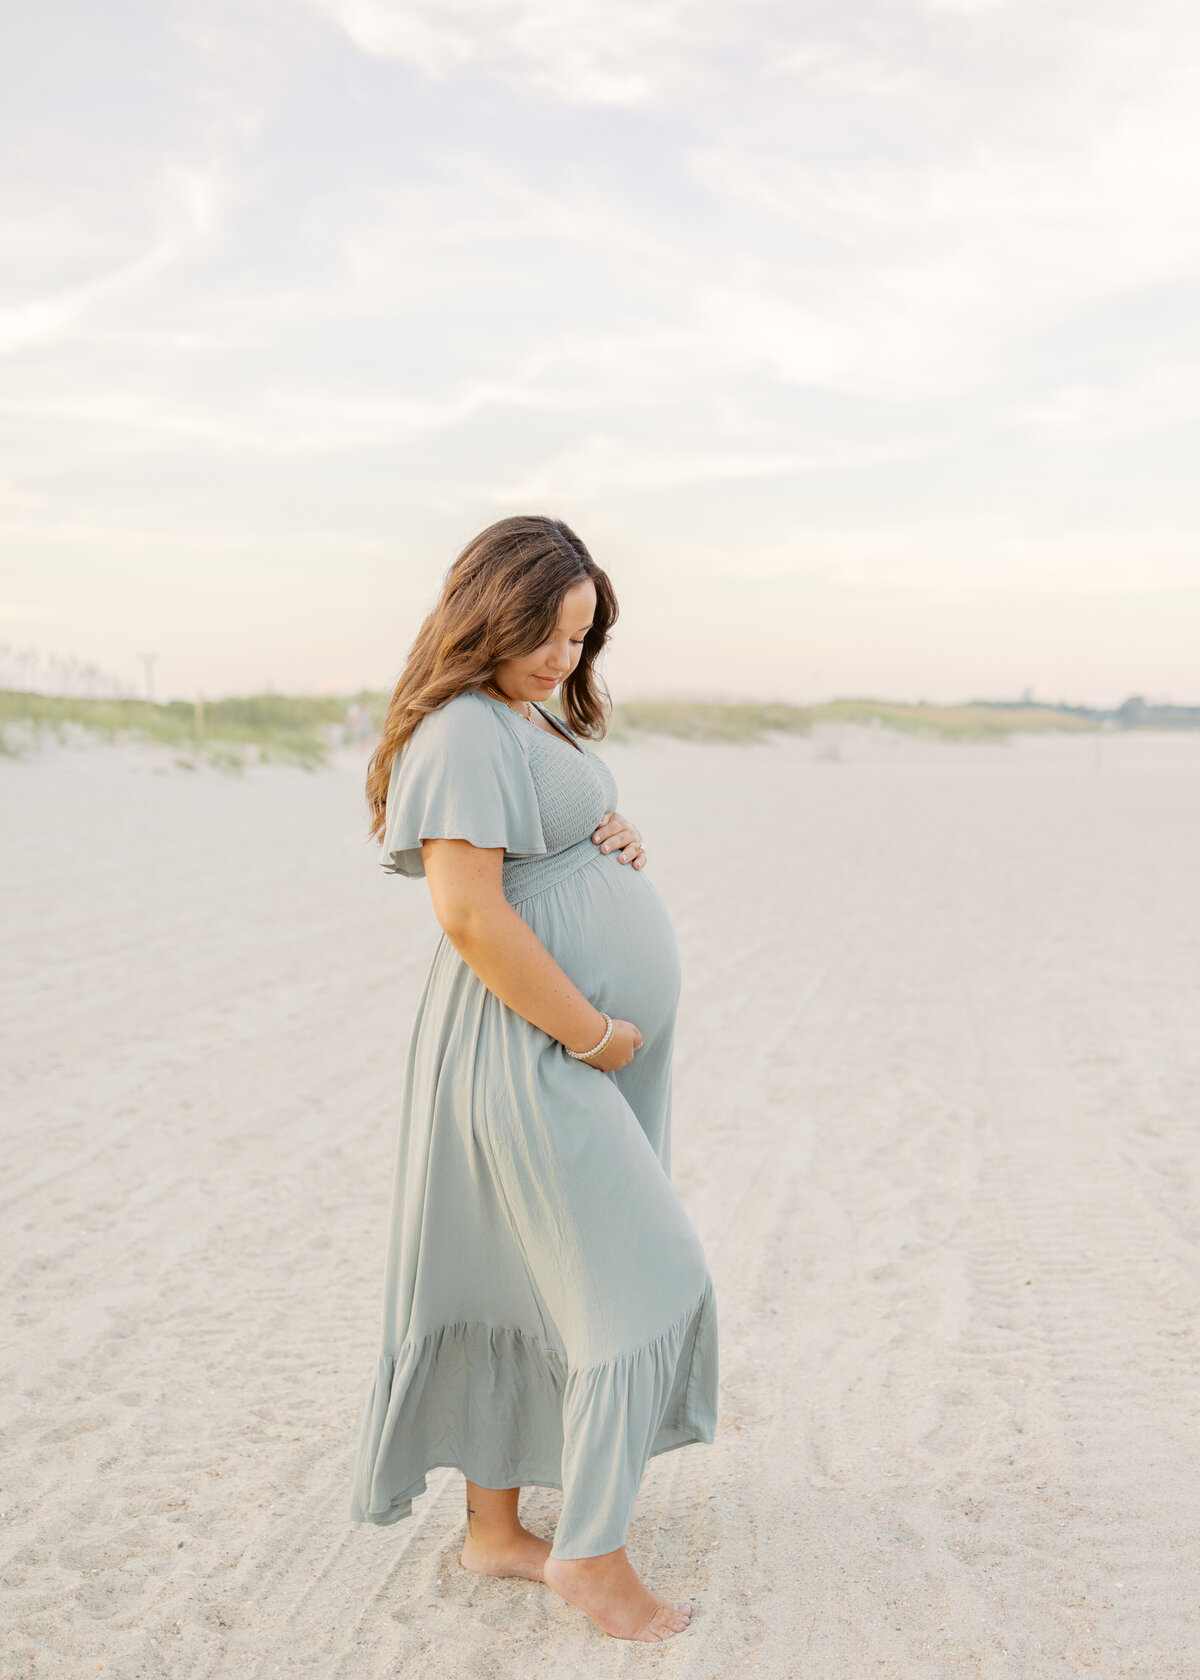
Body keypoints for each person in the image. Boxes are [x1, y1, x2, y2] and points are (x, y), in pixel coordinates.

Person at [347, 515, 718, 1643]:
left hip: (555, 1043)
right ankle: (590, 1554)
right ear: (488, 614)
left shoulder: (517, 713)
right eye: (548, 634)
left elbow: (535, 844)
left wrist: (608, 828)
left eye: (581, 637)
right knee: (651, 1272)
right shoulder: (462, 726)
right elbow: (468, 914)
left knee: (515, 1274)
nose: (565, 658)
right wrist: (594, 1036)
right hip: (530, 1045)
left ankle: (496, 1533)